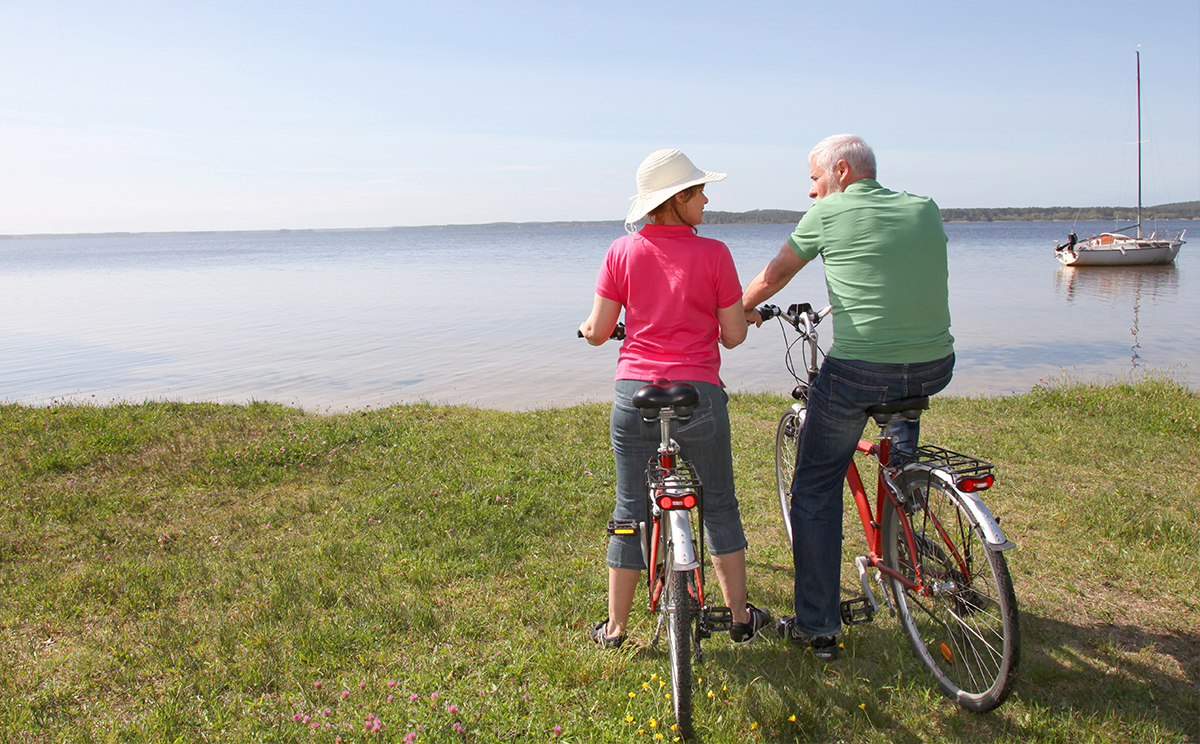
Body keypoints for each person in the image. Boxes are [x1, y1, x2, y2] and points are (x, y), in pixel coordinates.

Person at [741, 134, 955, 660]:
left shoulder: (828, 215)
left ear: (840, 170)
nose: (812, 192)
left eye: (814, 180)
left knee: (814, 487)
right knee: (898, 458)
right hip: (934, 366)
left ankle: (818, 625)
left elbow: (773, 277)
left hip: (860, 370)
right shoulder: (924, 208)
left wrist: (735, 310)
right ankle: (910, 532)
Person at [579, 148, 771, 648]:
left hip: (634, 395)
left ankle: (617, 628)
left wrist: (588, 329)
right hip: (700, 396)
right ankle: (739, 618)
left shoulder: (622, 252)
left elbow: (600, 332)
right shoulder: (716, 254)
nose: (706, 199)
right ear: (678, 199)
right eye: (699, 191)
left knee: (628, 509)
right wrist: (738, 321)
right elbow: (732, 337)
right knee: (721, 504)